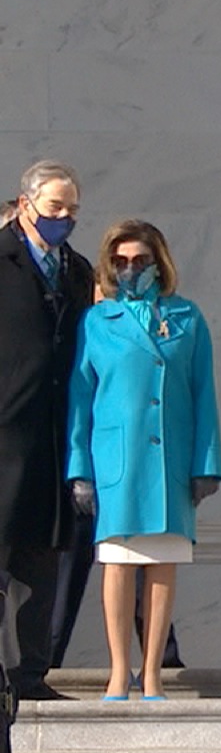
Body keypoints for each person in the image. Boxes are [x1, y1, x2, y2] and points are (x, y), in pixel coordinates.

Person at [66, 220, 221, 701]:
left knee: (161, 562)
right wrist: (79, 469)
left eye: (140, 261)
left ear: (159, 263)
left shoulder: (186, 317)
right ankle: (119, 671)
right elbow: (80, 398)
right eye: (120, 262)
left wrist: (206, 464)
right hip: (117, 458)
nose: (130, 269)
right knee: (118, 562)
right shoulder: (98, 321)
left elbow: (203, 393)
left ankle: (152, 672)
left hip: (168, 456)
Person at [1, 160, 94, 702]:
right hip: (5, 432)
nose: (64, 218)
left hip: (55, 437)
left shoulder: (77, 271)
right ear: (26, 203)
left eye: (72, 210)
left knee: (42, 558)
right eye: (55, 207)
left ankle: (30, 673)